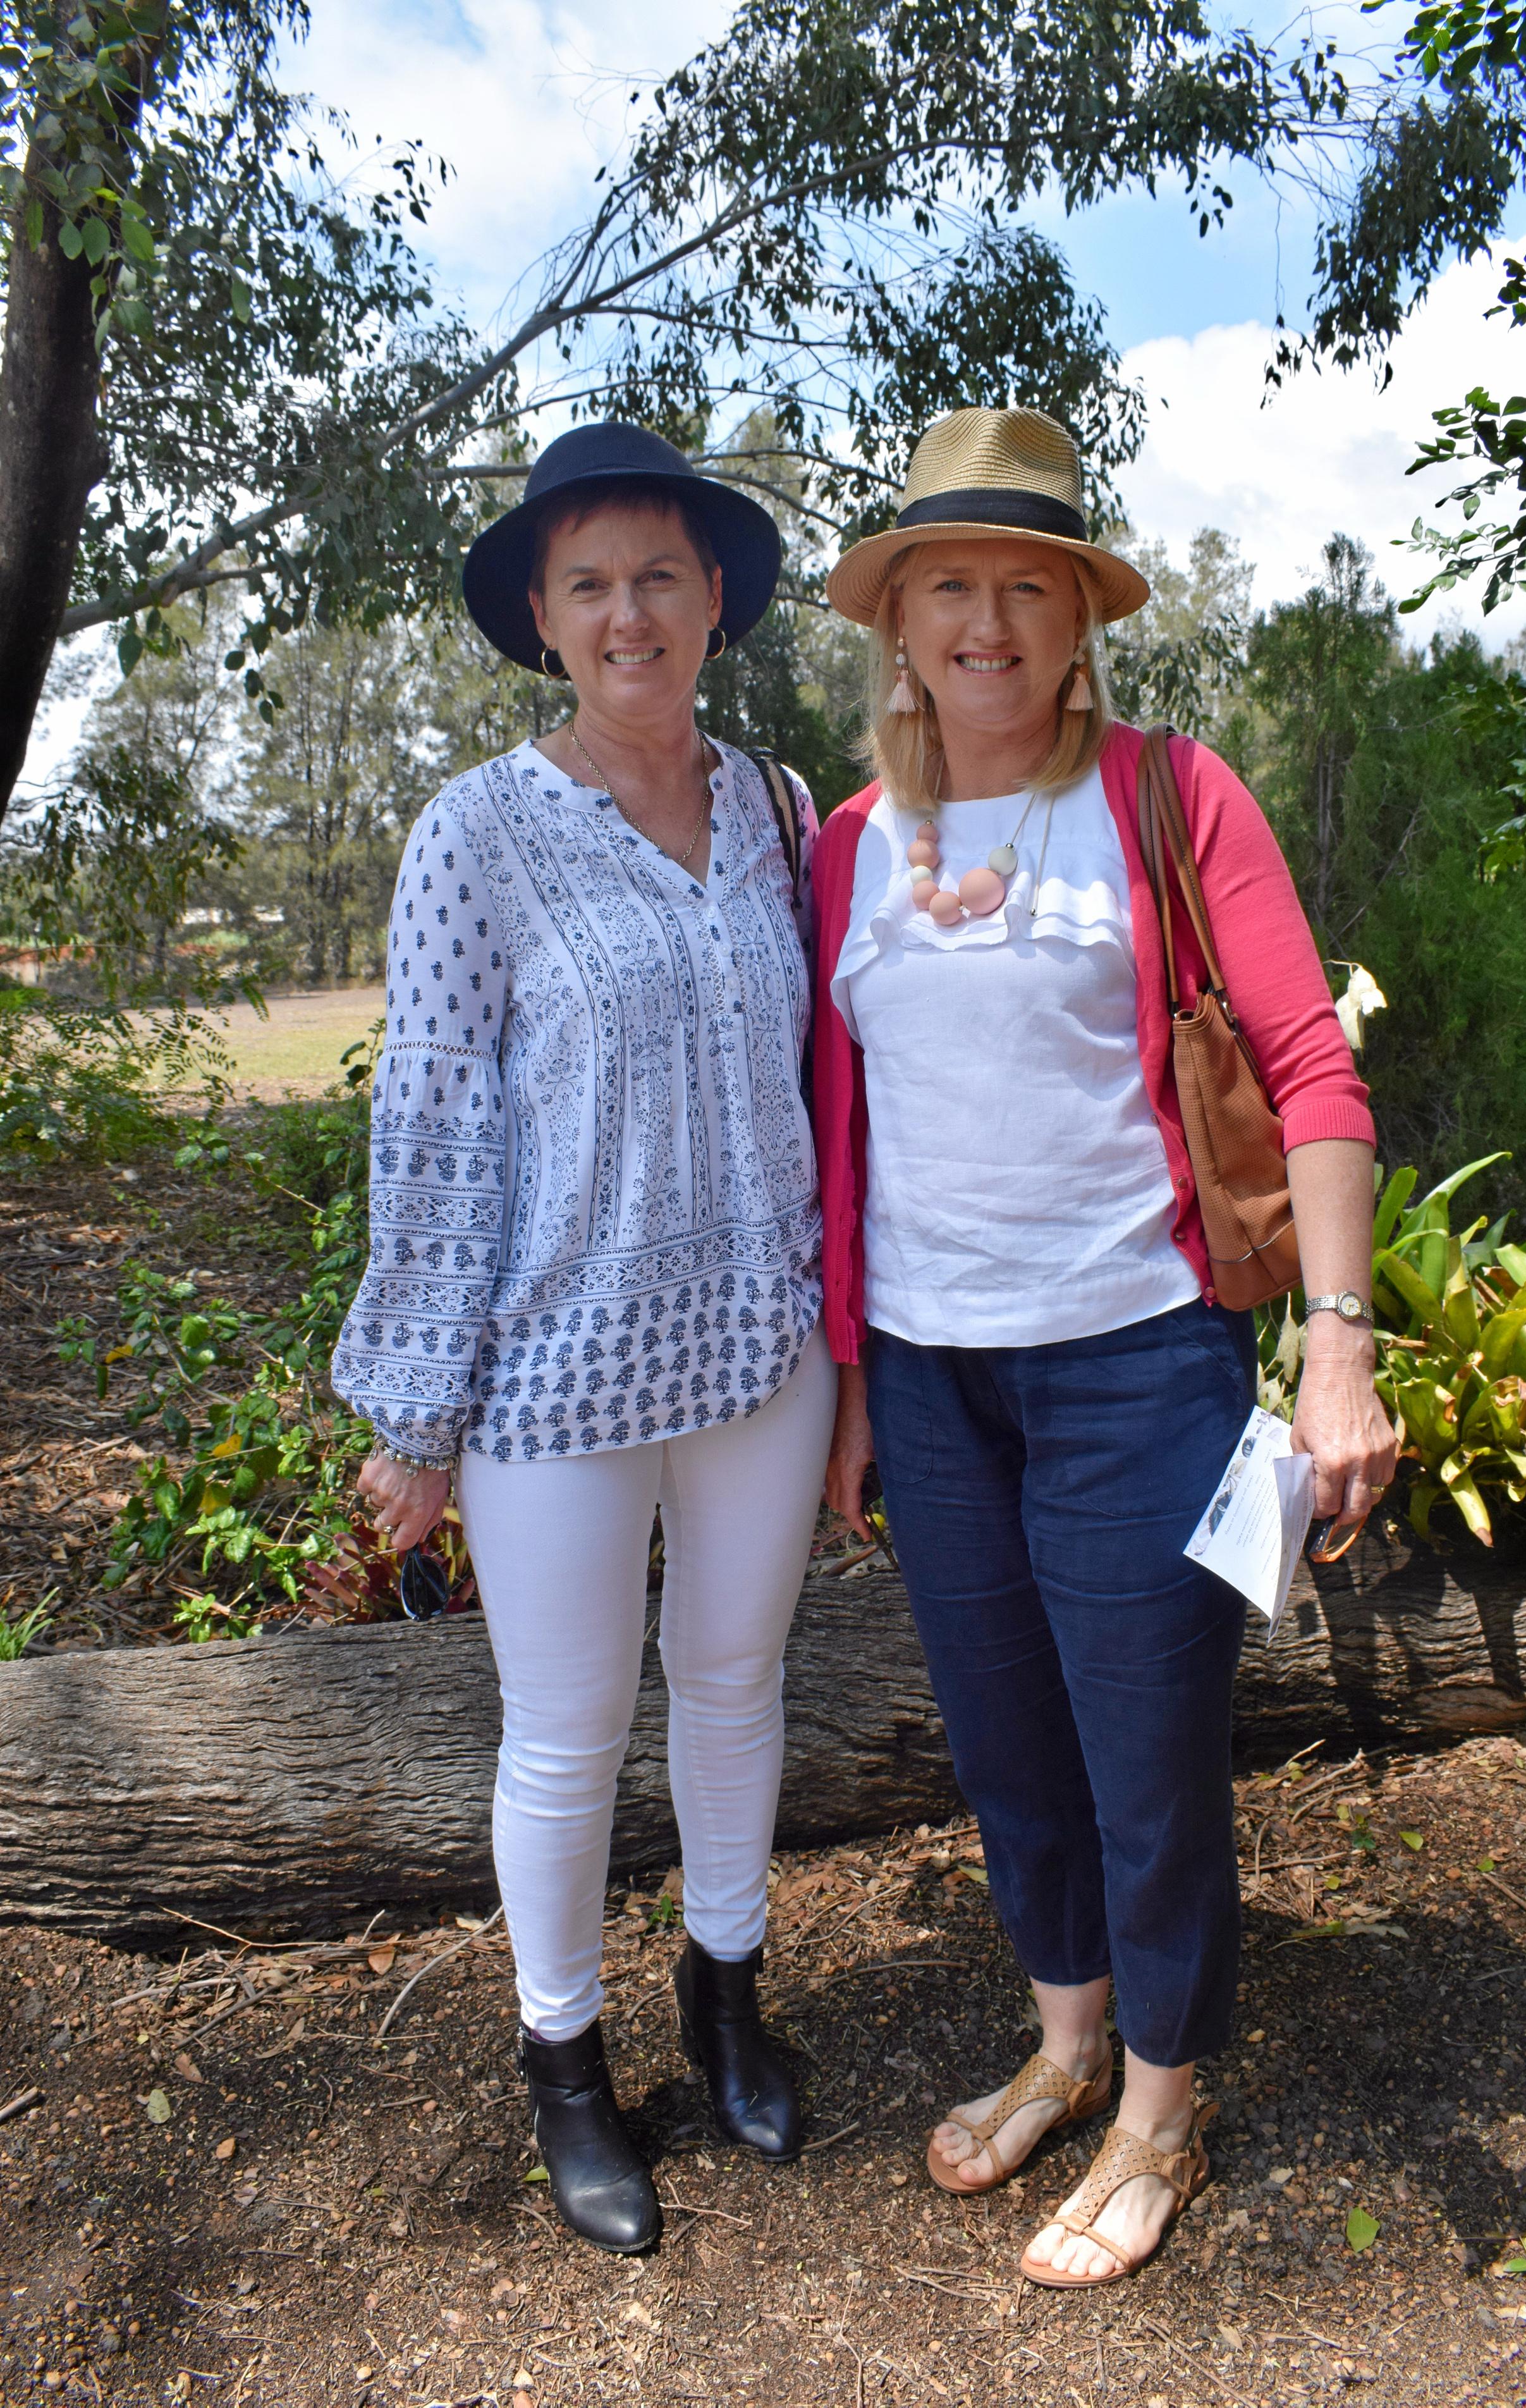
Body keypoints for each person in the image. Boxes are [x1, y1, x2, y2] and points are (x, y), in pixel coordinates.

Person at [813, 406, 1396, 2288]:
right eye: (947, 586)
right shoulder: (842, 846)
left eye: (1025, 586)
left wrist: (1333, 1350)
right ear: (896, 620)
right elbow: (837, 1133)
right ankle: (1067, 2046)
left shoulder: (1166, 793)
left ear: (1077, 620)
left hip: (1132, 1365)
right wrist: (845, 1385)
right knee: (1005, 1749)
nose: (985, 620)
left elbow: (1308, 1067)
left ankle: (1163, 2099)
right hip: (929, 1375)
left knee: (1146, 1761)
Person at [331, 422, 836, 2256]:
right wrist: (416, 1404)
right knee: (562, 1735)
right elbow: (438, 1126)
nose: (629, 612)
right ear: (544, 619)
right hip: (555, 1373)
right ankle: (565, 2067)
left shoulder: (780, 810)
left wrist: (843, 1334)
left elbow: (815, 1081)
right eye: (590, 582)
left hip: (761, 1354)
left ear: (713, 601)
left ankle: (726, 2000)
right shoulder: (477, 833)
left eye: (660, 576)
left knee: (731, 1681)